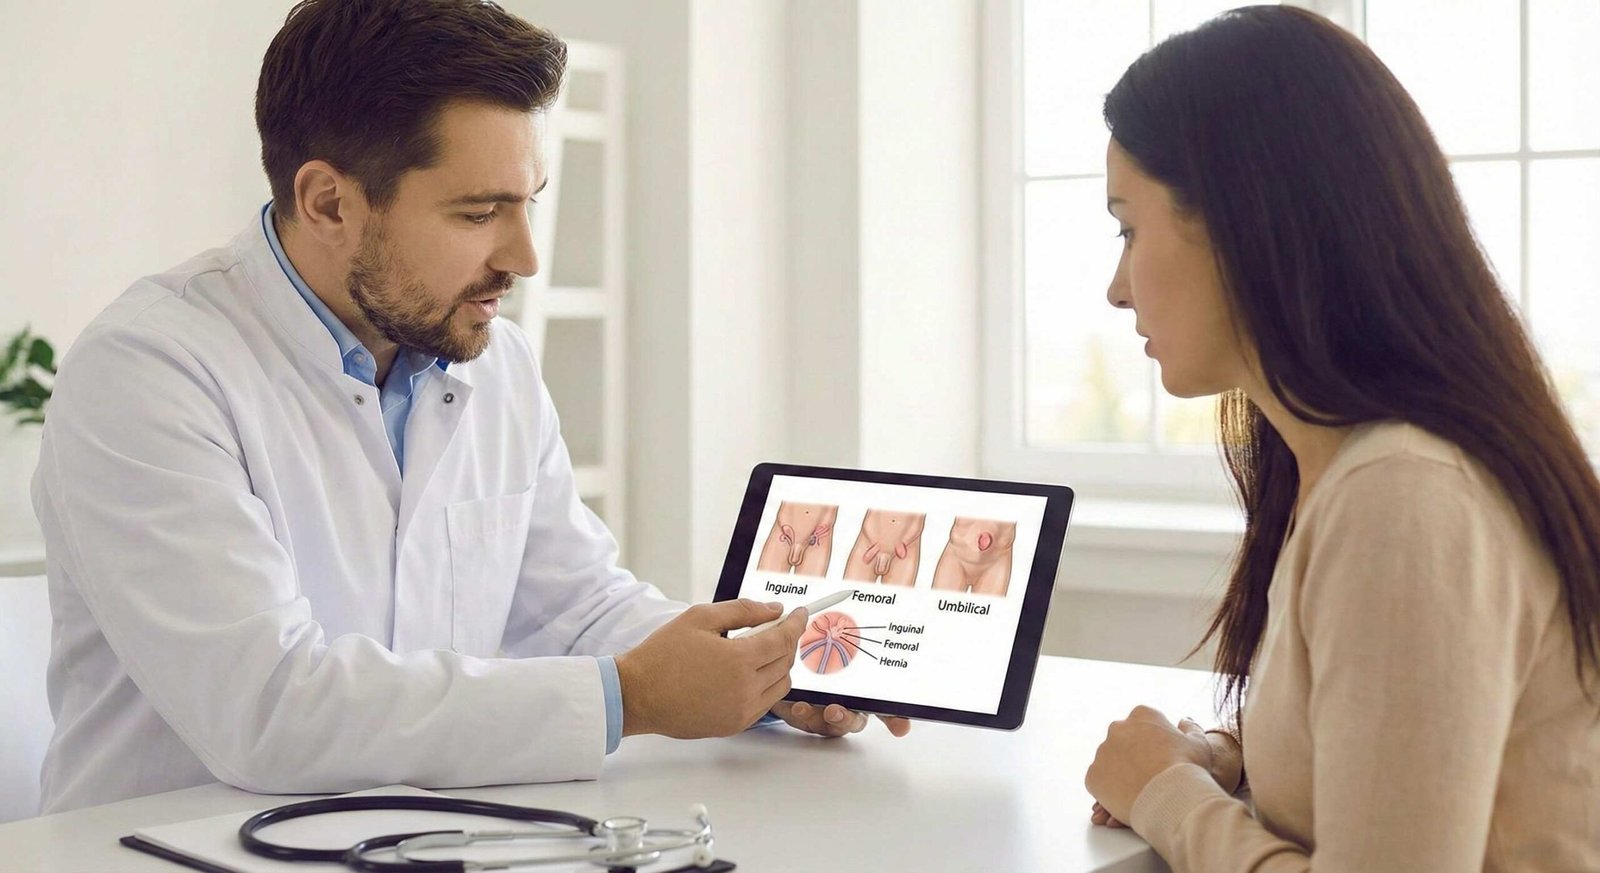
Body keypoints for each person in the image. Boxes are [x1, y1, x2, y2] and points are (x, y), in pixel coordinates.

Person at [31, 0, 905, 815]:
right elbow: (267, 706)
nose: (523, 257)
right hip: (165, 843)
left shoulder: (493, 362)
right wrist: (631, 698)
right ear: (328, 201)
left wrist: (751, 674)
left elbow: (574, 606)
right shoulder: (149, 371)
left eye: (529, 204)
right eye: (480, 212)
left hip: (422, 834)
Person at [1079, 6, 1600, 870]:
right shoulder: (1345, 470)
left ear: (1243, 224)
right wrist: (1225, 756)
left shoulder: (1403, 496)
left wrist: (1167, 796)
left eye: (1129, 228)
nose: (1116, 288)